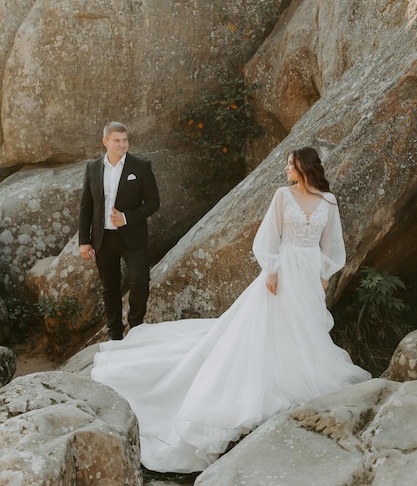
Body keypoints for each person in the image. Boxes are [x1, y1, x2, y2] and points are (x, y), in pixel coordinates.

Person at [91, 146, 371, 472]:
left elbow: (333, 244)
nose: (285, 169)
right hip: (281, 271)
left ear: (303, 167)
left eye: (289, 164)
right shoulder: (283, 196)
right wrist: (271, 269)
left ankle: (299, 369)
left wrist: (324, 273)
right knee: (270, 325)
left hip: (308, 274)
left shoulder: (329, 202)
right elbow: (267, 238)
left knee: (304, 327)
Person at [79, 121, 160, 340]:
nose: (122, 145)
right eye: (117, 140)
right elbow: (86, 205)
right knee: (110, 287)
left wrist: (126, 217)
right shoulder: (92, 167)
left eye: (125, 140)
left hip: (132, 236)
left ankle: (136, 327)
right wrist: (84, 240)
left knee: (140, 280)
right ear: (105, 142)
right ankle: (114, 333)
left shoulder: (141, 167)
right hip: (103, 238)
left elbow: (153, 202)